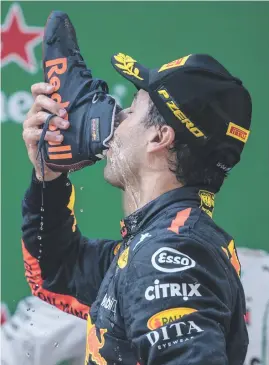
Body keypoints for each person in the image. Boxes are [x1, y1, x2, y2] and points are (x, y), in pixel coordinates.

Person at [21, 52, 252, 365]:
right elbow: (55, 271)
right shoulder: (158, 244)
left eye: (132, 108)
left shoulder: (166, 257)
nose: (118, 120)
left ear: (159, 136)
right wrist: (47, 177)